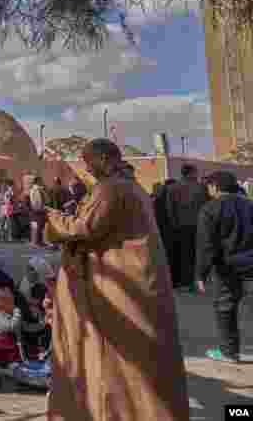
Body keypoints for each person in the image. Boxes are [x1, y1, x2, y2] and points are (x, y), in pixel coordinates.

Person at [44, 139, 188, 421]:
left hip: (118, 288)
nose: (87, 168)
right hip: (135, 281)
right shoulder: (131, 186)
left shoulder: (112, 188)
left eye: (89, 162)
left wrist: (52, 218)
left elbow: (85, 227)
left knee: (120, 356)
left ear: (103, 159)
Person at [195, 171, 253, 363]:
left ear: (215, 187)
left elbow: (206, 245)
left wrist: (201, 274)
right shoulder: (249, 205)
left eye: (208, 186)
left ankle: (229, 352)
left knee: (225, 307)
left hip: (226, 267)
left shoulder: (210, 209)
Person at [167, 164, 209, 292]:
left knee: (184, 255)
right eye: (195, 172)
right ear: (191, 173)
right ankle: (199, 281)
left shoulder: (172, 188)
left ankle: (186, 282)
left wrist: (174, 223)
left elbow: (170, 209)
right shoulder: (201, 187)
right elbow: (206, 206)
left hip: (181, 226)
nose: (197, 174)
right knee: (198, 254)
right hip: (198, 225)